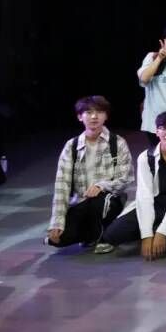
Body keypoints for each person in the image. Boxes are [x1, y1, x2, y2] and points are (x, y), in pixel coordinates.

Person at [96, 111, 166, 258]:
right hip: (156, 202)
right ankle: (159, 229)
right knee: (113, 234)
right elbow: (145, 196)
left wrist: (162, 232)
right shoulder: (145, 157)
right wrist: (147, 235)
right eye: (164, 128)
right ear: (157, 131)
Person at [46, 96, 134, 249]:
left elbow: (126, 178)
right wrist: (57, 221)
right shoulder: (71, 146)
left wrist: (101, 186)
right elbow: (62, 186)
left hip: (109, 200)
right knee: (58, 239)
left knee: (100, 203)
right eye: (88, 112)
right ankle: (92, 234)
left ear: (106, 116)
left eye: (99, 112)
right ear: (80, 117)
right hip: (81, 203)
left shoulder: (117, 142)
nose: (94, 116)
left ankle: (104, 237)